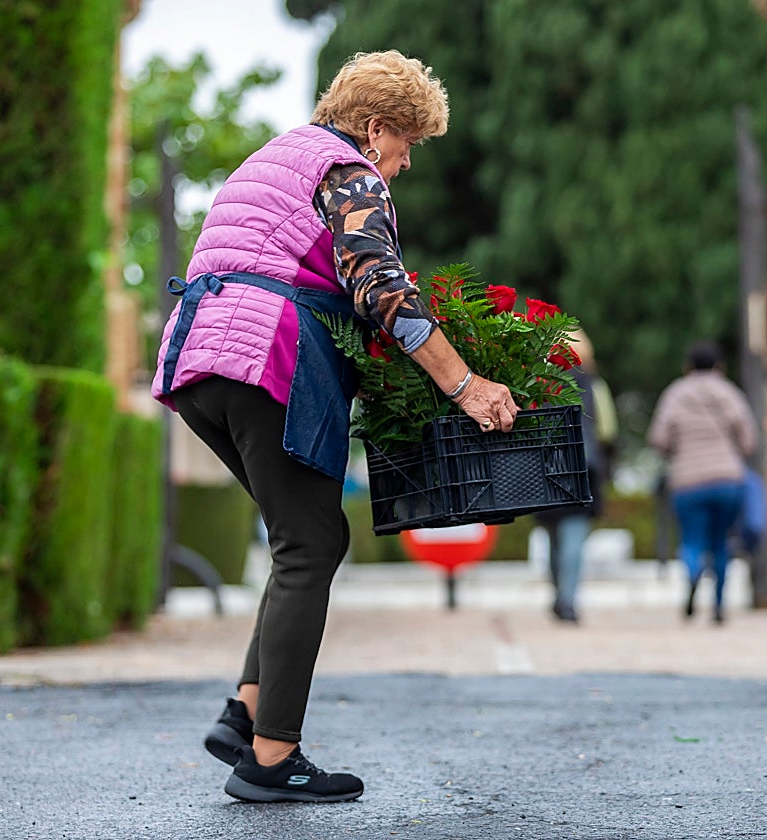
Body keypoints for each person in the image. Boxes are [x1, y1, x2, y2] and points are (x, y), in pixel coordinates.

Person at [150, 50, 519, 804]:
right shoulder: (350, 171)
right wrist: (465, 383)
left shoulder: (276, 156)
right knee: (312, 541)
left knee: (300, 539)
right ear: (377, 128)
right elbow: (381, 287)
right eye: (406, 143)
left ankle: (245, 715)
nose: (406, 163)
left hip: (199, 362)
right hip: (265, 358)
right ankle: (271, 758)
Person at [646, 340, 758, 625]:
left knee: (693, 540)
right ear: (719, 366)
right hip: (727, 480)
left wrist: (678, 449)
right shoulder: (730, 394)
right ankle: (719, 606)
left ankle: (693, 573)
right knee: (721, 542)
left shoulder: (675, 394)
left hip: (688, 482)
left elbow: (658, 439)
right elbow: (749, 442)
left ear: (688, 366)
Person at [534, 330, 617, 623]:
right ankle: (568, 599)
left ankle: (558, 594)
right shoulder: (593, 383)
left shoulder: (538, 381)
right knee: (574, 536)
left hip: (545, 466)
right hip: (581, 465)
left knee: (553, 537)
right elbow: (607, 428)